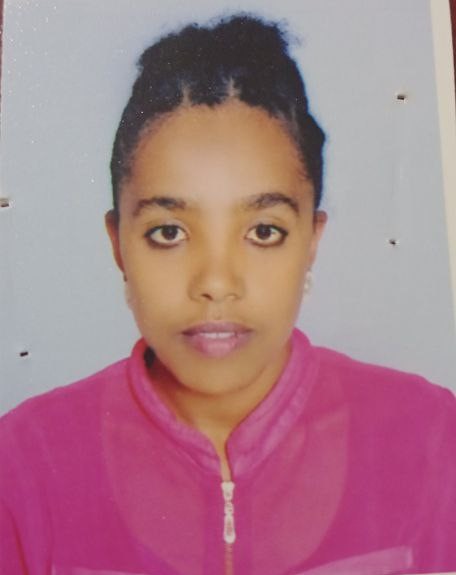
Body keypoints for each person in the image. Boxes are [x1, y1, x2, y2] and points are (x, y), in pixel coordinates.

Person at [1, 13, 455, 575]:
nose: (216, 283)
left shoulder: (433, 440)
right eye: (169, 232)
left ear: (311, 242)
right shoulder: (20, 466)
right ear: (118, 244)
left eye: (263, 231)